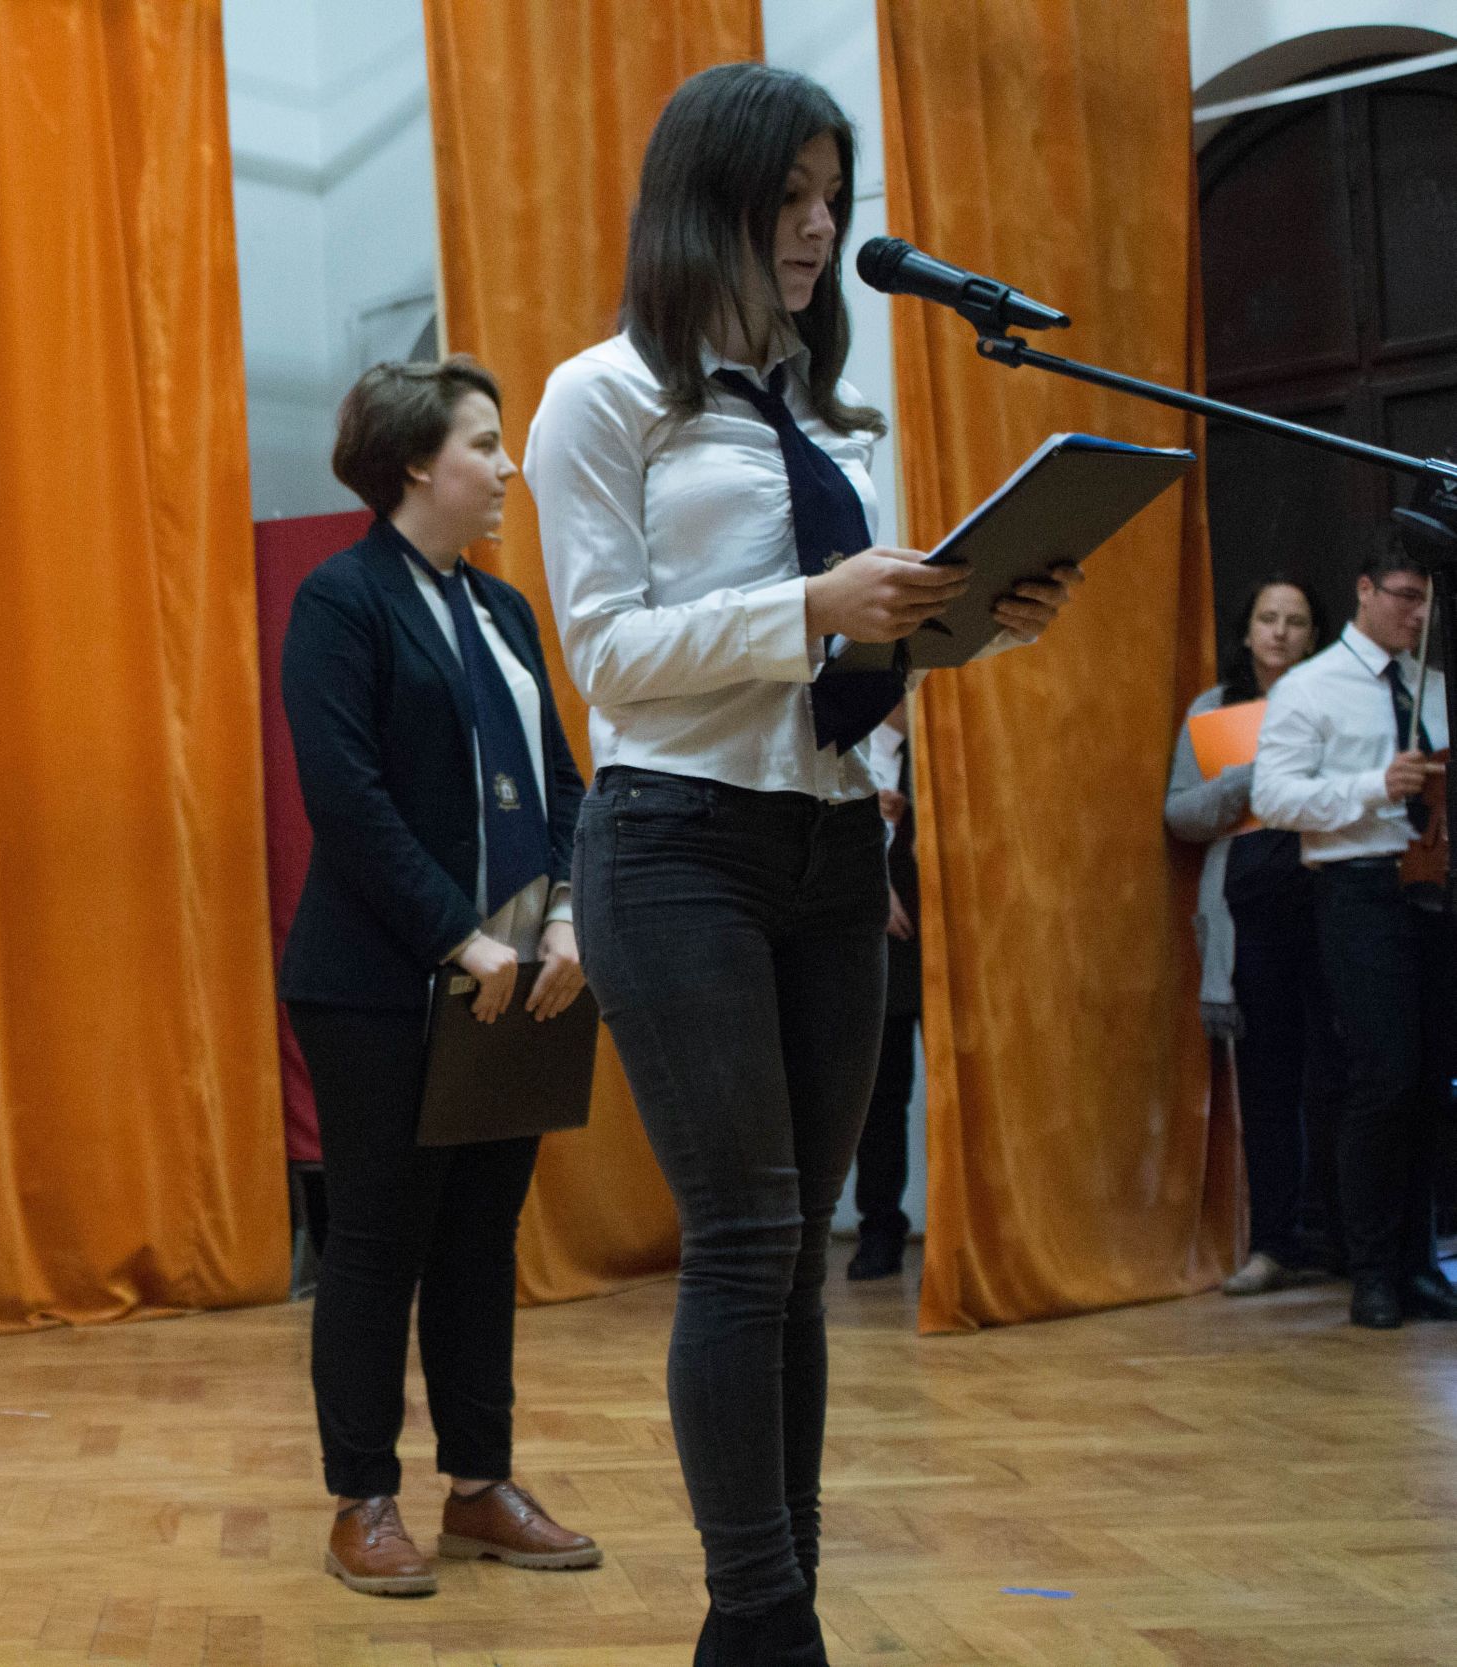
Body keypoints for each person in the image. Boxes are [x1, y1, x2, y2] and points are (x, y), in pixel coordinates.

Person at [524, 63, 1078, 1665]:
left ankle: (784, 1606)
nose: (822, 229)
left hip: (835, 845)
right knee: (746, 1232)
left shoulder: (831, 415)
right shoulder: (600, 396)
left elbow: (848, 662)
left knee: (803, 1248)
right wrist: (813, 608)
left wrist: (971, 621)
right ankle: (759, 1622)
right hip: (675, 842)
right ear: (707, 203)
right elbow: (608, 656)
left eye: (834, 199)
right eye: (789, 198)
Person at [278, 356, 599, 1599]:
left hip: (517, 979)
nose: (509, 465)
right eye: (484, 443)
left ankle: (480, 1483)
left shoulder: (505, 611)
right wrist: (459, 939)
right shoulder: (340, 599)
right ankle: (361, 1496)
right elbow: (346, 800)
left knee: (478, 1238)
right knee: (376, 1239)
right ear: (416, 461)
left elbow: (562, 781)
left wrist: (565, 916)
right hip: (380, 983)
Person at [1251, 534, 1457, 1330]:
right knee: (1384, 1076)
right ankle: (1369, 1269)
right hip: (1357, 891)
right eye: (1404, 596)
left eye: (1426, 601)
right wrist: (1375, 785)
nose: (1417, 614)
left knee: (1432, 1080)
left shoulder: (1432, 685)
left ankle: (1418, 1262)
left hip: (1431, 891)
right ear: (1366, 590)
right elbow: (1274, 798)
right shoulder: (1310, 687)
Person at [1165, 575, 1341, 1294]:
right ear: (1246, 631)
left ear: (1314, 635)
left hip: (1332, 907)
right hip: (1251, 917)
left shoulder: (1336, 699)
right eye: (1267, 618)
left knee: (1342, 1078)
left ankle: (1350, 1242)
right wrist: (1247, 779)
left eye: (1295, 621)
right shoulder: (1215, 707)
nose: (1280, 632)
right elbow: (1180, 816)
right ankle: (1274, 1243)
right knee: (1268, 1086)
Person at [845, 707, 916, 1282]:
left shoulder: (958, 753)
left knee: (961, 1083)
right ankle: (880, 1227)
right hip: (883, 940)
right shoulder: (853, 747)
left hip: (957, 934)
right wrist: (872, 879)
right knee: (880, 1091)